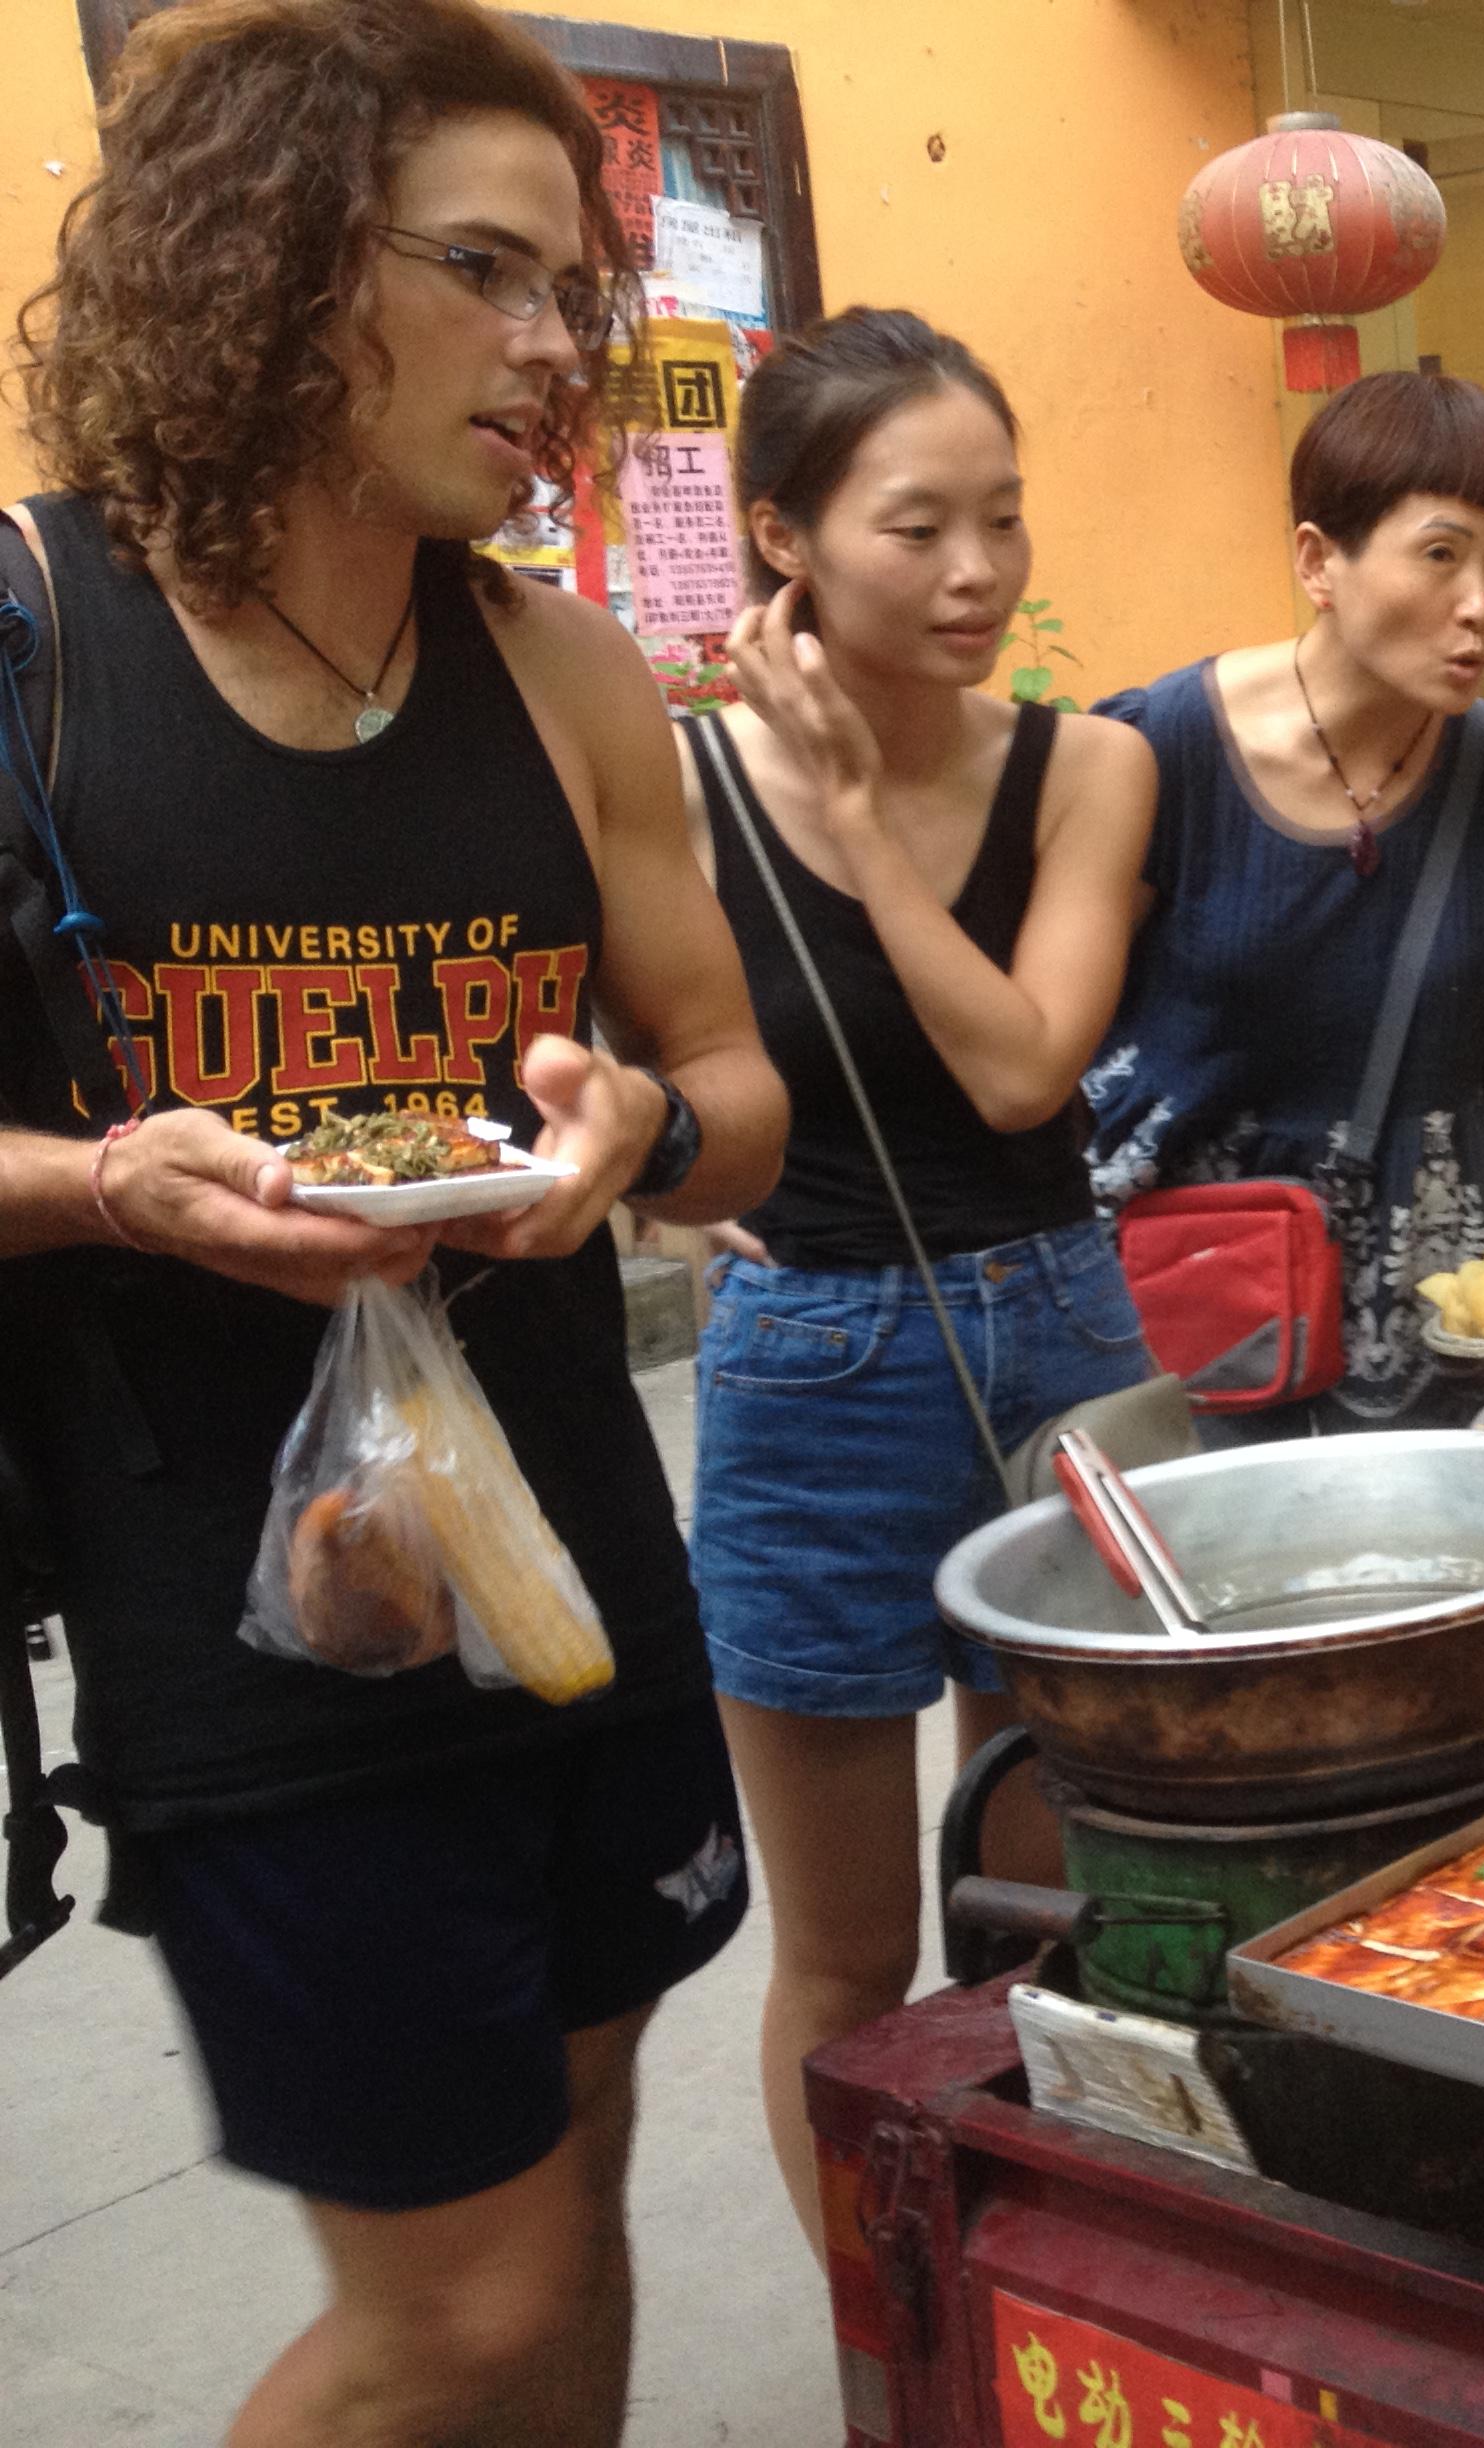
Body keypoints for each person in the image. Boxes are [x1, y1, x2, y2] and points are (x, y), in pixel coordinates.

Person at [0, 4, 786, 2444]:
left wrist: (621, 1134)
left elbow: (740, 1101)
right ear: (269, 261)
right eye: (490, 273)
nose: (557, 351)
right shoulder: (33, 640)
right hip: (247, 1626)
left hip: (567, 1576)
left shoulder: (557, 669)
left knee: (582, 2184)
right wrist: (117, 1179)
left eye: (576, 293)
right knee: (454, 2301)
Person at [673, 306, 1159, 2256]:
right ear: (785, 536)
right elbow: (633, 1073)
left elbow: (1026, 1065)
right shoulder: (677, 784)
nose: (976, 574)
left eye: (1004, 521)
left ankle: (1050, 2300)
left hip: (1064, 1339)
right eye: (915, 527)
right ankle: (895, 2348)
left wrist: (867, 829)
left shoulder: (1086, 767)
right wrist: (663, 1169)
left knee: (1047, 1907)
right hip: (806, 1363)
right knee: (853, 1950)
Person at [1090, 370, 1484, 1436]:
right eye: (1440, 554)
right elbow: (1044, 1035)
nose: (1481, 602)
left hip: (1438, 1307)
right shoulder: (1159, 751)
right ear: (1317, 560)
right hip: (1198, 1297)